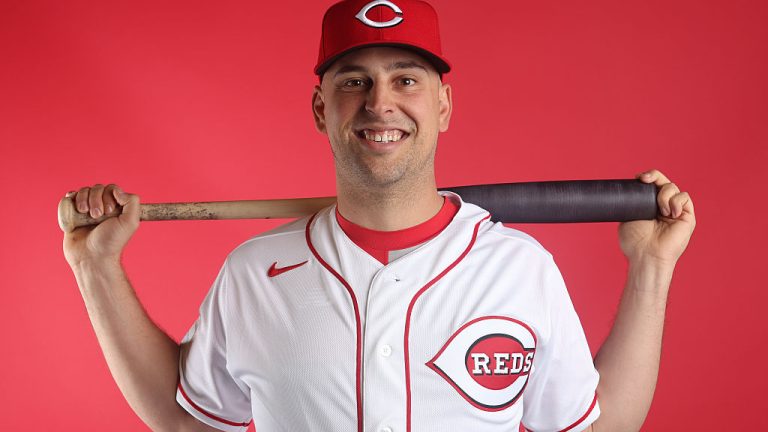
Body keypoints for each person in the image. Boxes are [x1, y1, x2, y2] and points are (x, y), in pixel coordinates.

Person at [63, 1, 696, 431]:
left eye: (406, 80)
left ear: (444, 105)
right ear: (320, 108)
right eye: (353, 82)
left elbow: (599, 424)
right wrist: (97, 269)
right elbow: (186, 419)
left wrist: (651, 266)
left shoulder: (519, 267)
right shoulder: (255, 271)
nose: (380, 103)